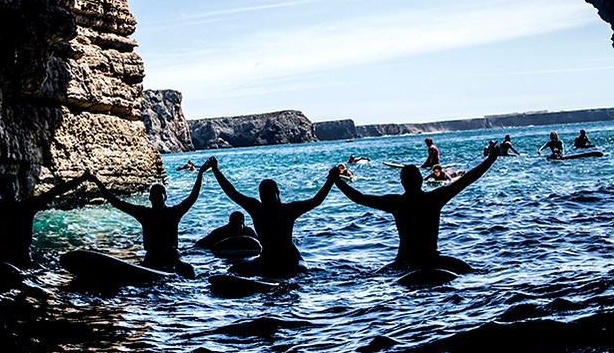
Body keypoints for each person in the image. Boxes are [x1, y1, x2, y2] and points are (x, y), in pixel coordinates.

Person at [333, 143, 500, 275]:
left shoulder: (396, 203)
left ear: (402, 183)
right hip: (431, 259)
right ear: (421, 180)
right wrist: (491, 159)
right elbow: (467, 179)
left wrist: (337, 180)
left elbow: (359, 198)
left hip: (405, 262)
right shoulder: (434, 198)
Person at [0, 151, 91, 269]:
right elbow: (55, 191)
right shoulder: (25, 207)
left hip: (3, 262)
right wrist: (81, 179)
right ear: (16, 189)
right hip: (24, 262)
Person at [207, 156, 339, 277]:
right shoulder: (256, 208)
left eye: (269, 194)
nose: (266, 197)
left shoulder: (288, 210)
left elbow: (316, 201)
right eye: (263, 195)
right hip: (267, 257)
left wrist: (331, 180)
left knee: (301, 270)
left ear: (277, 193)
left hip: (290, 258)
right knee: (232, 271)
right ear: (260, 196)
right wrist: (216, 171)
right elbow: (232, 193)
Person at [89, 159, 212, 278]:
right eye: (154, 195)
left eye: (159, 195)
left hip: (171, 256)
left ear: (165, 197)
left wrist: (200, 173)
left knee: (188, 269)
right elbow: (116, 202)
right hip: (153, 257)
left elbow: (193, 197)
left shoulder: (171, 213)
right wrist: (96, 181)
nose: (157, 197)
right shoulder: (147, 213)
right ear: (150, 198)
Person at [194, 211, 259, 249]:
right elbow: (200, 244)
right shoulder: (220, 232)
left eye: (239, 223)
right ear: (230, 223)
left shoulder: (248, 232)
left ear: (243, 224)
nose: (237, 226)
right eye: (235, 223)